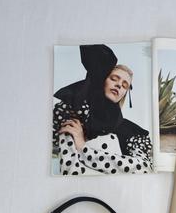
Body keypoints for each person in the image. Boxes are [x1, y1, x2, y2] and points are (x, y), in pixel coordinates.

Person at [53, 44, 153, 175]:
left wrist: (84, 149)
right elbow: (70, 169)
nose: (119, 85)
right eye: (114, 79)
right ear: (102, 80)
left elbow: (144, 167)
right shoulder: (75, 111)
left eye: (125, 85)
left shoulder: (132, 131)